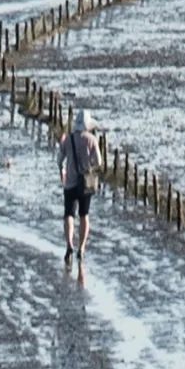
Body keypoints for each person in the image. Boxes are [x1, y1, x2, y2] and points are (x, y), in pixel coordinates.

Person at [57, 108, 102, 264]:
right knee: (84, 215)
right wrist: (88, 165)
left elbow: (59, 159)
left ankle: (69, 244)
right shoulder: (91, 140)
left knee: (69, 214)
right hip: (85, 184)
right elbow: (99, 162)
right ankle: (81, 248)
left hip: (69, 182)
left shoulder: (68, 139)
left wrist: (62, 170)